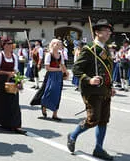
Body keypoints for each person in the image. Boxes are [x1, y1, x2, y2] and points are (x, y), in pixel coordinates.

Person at [67, 19, 115, 160]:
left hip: (105, 90)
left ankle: (98, 148)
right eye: (106, 30)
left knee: (103, 120)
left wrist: (110, 86)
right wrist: (89, 79)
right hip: (91, 91)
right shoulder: (88, 49)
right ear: (97, 32)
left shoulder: (106, 49)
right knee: (93, 119)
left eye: (109, 30)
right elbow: (76, 69)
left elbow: (108, 71)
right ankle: (73, 135)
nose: (109, 33)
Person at [30, 39, 67, 121]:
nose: (60, 46)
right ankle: (44, 105)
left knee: (58, 94)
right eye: (58, 44)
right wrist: (58, 70)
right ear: (53, 45)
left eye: (60, 44)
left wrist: (66, 73)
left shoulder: (60, 54)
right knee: (49, 92)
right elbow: (47, 68)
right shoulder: (49, 54)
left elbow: (62, 65)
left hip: (58, 76)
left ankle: (55, 114)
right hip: (50, 75)